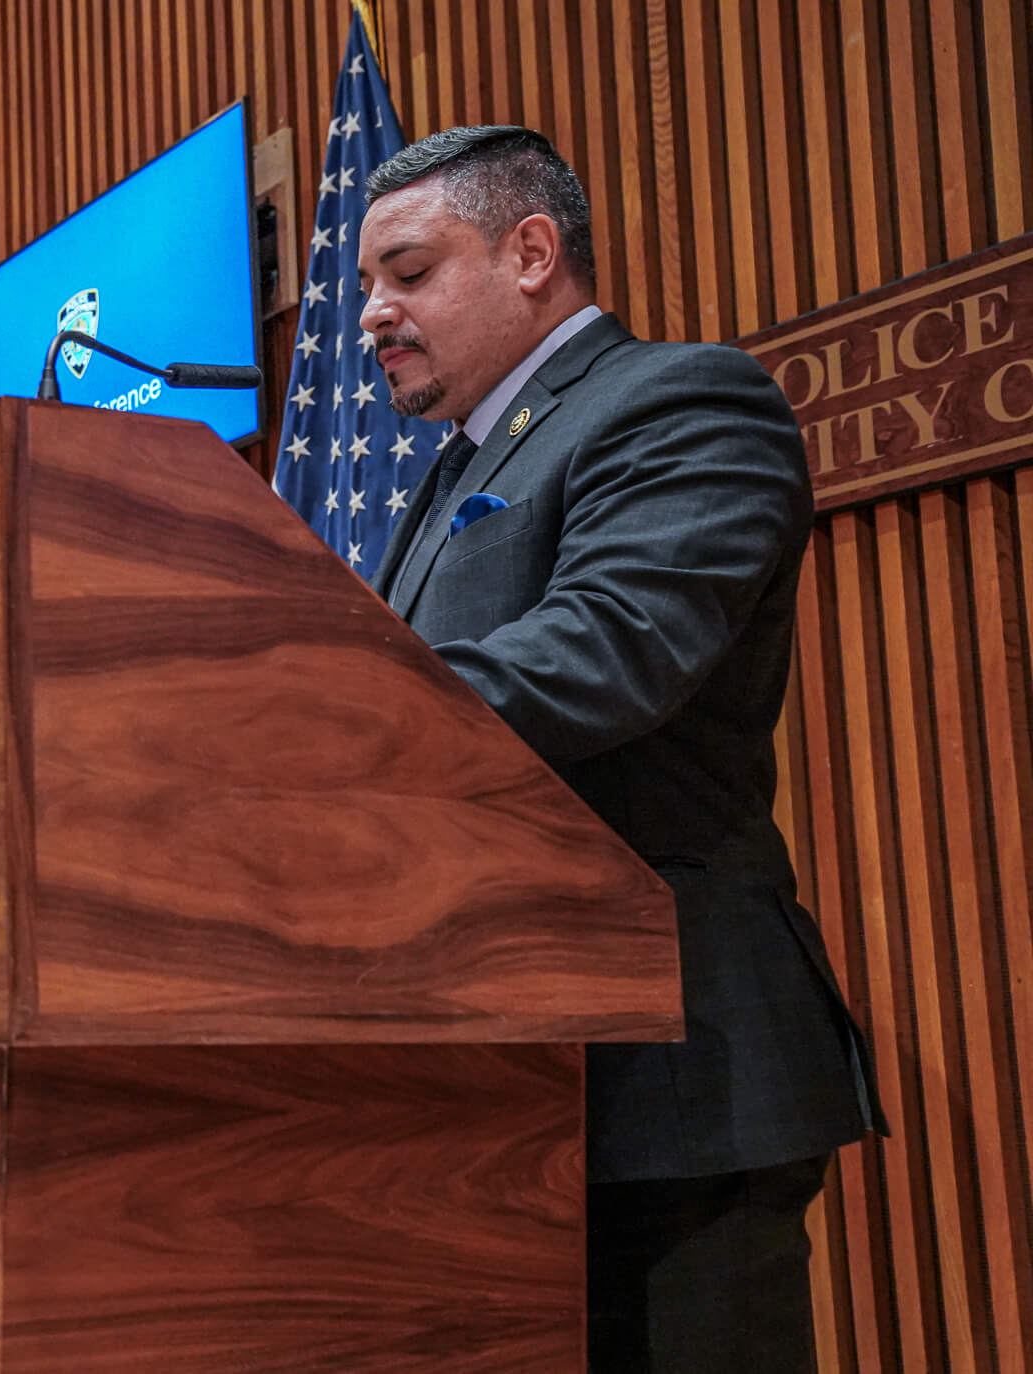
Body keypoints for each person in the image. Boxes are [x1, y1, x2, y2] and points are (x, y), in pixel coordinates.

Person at [356, 125, 886, 1372]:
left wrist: (313, 712)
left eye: (408, 272)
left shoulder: (675, 399)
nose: (371, 312)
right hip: (504, 1070)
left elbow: (609, 648)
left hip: (669, 1071)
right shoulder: (453, 470)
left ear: (531, 252)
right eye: (367, 284)